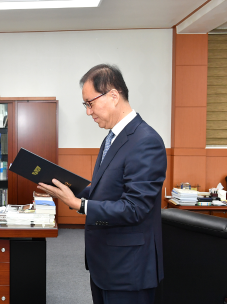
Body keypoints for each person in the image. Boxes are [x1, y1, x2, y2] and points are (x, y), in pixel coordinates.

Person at [38, 64, 166, 304]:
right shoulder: (112, 137)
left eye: (90, 103)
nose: (88, 112)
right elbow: (107, 191)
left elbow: (134, 208)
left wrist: (79, 205)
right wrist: (68, 189)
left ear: (113, 96)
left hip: (129, 269)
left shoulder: (145, 141)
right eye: (85, 105)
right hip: (106, 264)